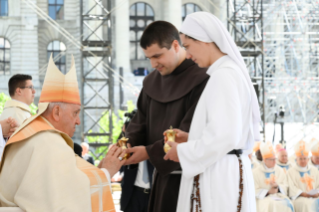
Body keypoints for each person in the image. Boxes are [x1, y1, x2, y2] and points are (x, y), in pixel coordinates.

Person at [0, 56, 125, 211]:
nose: (78, 121)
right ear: (57, 112)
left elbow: (66, 184)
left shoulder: (35, 131)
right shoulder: (48, 142)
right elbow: (65, 201)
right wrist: (107, 173)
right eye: (75, 113)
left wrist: (98, 172)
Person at [164, 12, 260, 211]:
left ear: (205, 39)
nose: (188, 55)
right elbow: (227, 132)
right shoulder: (227, 72)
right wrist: (193, 139)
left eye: (188, 47)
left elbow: (226, 136)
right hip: (225, 170)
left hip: (220, 176)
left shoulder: (224, 75)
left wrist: (182, 152)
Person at [123, 21, 209, 212]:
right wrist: (127, 143)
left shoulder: (202, 78)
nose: (153, 64)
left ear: (176, 45)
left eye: (157, 56)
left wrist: (147, 152)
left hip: (191, 177)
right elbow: (140, 121)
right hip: (160, 177)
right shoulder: (151, 81)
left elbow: (189, 131)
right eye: (149, 58)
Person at [253, 142, 294, 212]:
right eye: (272, 160)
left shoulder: (279, 170)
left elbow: (285, 185)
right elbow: (253, 190)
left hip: (278, 196)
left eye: (275, 159)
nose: (275, 162)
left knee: (288, 203)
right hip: (263, 198)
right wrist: (268, 192)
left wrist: (277, 187)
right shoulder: (255, 172)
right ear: (265, 160)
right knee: (271, 204)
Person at [287, 140, 319, 212]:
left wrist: (317, 193)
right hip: (299, 198)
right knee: (307, 204)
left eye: (304, 158)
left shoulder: (314, 170)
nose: (303, 161)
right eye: (300, 159)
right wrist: (305, 194)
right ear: (296, 159)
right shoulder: (291, 171)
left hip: (315, 196)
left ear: (308, 159)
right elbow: (292, 188)